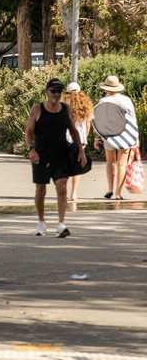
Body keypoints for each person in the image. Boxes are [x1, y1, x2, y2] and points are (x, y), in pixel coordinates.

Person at [26, 77, 85, 238]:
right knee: (41, 189)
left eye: (59, 91)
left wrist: (81, 150)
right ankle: (41, 222)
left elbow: (73, 131)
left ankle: (61, 224)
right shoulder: (38, 108)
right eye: (53, 91)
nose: (56, 94)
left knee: (62, 186)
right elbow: (29, 132)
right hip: (41, 155)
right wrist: (31, 149)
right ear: (47, 91)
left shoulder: (65, 109)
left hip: (61, 154)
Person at [92, 75, 140, 201]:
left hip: (108, 135)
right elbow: (133, 120)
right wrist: (136, 138)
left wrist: (97, 138)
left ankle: (110, 189)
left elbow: (98, 120)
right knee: (122, 164)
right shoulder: (126, 100)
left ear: (106, 88)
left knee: (110, 162)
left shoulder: (102, 101)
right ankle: (118, 193)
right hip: (125, 134)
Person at [61, 82, 94, 210]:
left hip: (66, 139)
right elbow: (88, 123)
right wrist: (85, 137)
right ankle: (74, 193)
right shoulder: (85, 105)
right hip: (80, 140)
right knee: (77, 167)